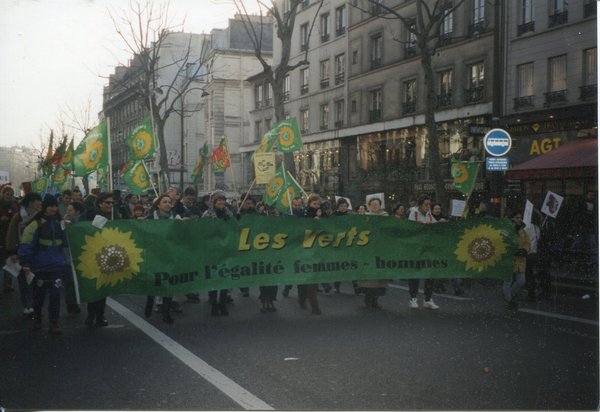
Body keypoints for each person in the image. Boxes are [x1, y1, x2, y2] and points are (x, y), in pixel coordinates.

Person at [18, 194, 69, 335]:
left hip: (56, 266)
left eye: (55, 206)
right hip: (40, 267)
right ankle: (38, 319)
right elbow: (27, 244)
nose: (54, 208)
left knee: (55, 296)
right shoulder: (35, 224)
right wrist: (26, 263)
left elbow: (66, 242)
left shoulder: (61, 223)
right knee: (38, 296)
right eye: (51, 206)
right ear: (45, 207)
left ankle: (54, 322)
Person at [84, 192, 121, 327]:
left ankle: (100, 315)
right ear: (100, 203)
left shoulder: (115, 214)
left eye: (112, 203)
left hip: (110, 254)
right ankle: (91, 314)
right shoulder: (91, 214)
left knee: (103, 286)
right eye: (107, 203)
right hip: (93, 254)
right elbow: (82, 227)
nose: (111, 205)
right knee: (94, 285)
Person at [144, 194, 182, 323]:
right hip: (154, 255)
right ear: (158, 205)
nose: (167, 204)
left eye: (169, 202)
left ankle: (166, 313)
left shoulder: (175, 218)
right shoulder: (150, 218)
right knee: (153, 280)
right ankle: (150, 301)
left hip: (169, 255)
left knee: (168, 283)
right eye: (164, 202)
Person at [5, 192, 42, 316]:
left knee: (36, 280)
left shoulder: (41, 216)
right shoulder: (18, 217)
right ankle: (27, 305)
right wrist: (12, 251)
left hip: (38, 252)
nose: (40, 203)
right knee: (24, 280)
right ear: (31, 202)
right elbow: (11, 234)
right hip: (23, 252)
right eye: (38, 200)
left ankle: (35, 304)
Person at [202, 190, 234, 316]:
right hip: (213, 251)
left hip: (225, 250)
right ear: (214, 201)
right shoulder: (207, 214)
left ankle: (222, 303)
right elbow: (203, 231)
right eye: (219, 200)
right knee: (214, 278)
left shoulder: (228, 213)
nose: (221, 202)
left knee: (225, 277)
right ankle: (214, 303)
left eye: (223, 200)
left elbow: (234, 229)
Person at [407, 194, 439, 309]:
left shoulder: (430, 214)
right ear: (420, 205)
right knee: (415, 273)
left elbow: (436, 227)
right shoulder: (413, 214)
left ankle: (428, 299)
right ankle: (413, 298)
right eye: (426, 204)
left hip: (428, 248)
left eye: (429, 204)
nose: (428, 206)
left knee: (430, 273)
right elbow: (410, 229)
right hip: (416, 249)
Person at [357, 197, 390, 309]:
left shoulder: (385, 216)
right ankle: (368, 299)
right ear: (369, 206)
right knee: (368, 278)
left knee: (379, 279)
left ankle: (375, 300)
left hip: (381, 250)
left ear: (380, 206)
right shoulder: (365, 217)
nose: (375, 206)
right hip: (368, 251)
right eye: (372, 204)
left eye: (377, 204)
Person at [297, 194, 323, 315]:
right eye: (314, 204)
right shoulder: (304, 214)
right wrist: (313, 222)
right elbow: (300, 229)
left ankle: (305, 298)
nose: (316, 206)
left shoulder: (322, 215)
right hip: (305, 250)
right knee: (308, 277)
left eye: (318, 204)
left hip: (318, 249)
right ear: (309, 204)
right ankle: (314, 305)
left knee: (313, 277)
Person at [504, 211, 531, 310]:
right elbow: (503, 243)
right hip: (509, 260)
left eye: (520, 217)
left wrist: (524, 250)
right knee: (508, 281)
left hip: (520, 261)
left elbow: (528, 243)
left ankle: (509, 297)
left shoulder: (523, 232)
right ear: (512, 219)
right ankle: (510, 301)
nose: (519, 219)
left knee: (521, 280)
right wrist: (512, 251)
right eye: (517, 217)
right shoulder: (507, 231)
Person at [1, 185, 20, 292]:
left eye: (11, 195)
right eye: (7, 194)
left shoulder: (15, 206)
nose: (9, 196)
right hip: (1, 236)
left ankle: (8, 283)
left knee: (10, 261)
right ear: (3, 194)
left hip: (11, 237)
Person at [524, 213, 541, 301]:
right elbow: (538, 239)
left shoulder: (526, 227)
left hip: (528, 253)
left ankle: (530, 293)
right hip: (534, 253)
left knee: (528, 274)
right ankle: (533, 292)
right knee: (532, 273)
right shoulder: (537, 228)